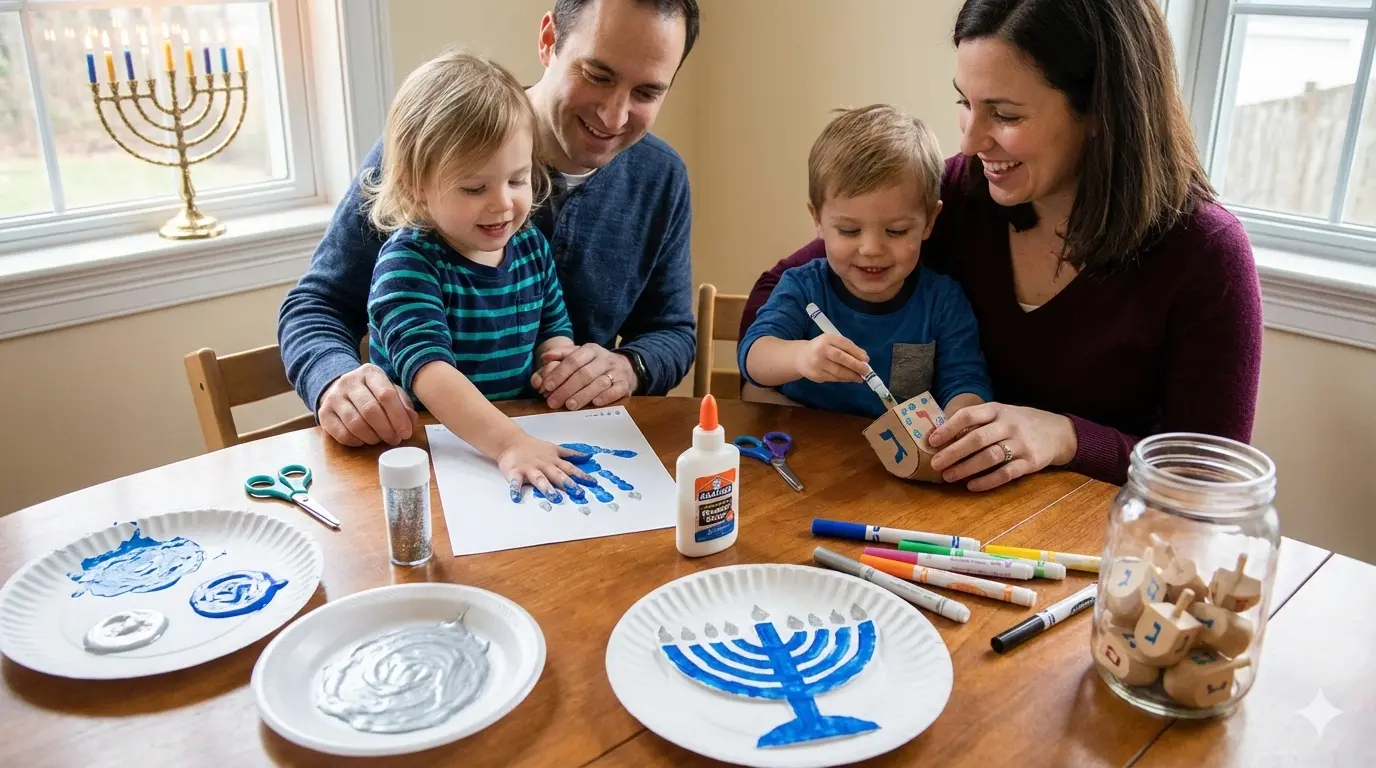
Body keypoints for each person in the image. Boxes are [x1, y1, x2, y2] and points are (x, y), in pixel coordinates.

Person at [740, 0, 1262, 490]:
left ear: (1101, 110)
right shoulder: (958, 195)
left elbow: (1207, 476)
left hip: (1098, 550)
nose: (968, 141)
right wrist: (791, 363)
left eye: (1006, 115)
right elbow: (773, 297)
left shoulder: (1205, 254)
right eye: (965, 103)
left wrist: (1066, 437)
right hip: (945, 522)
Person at [279, 0, 701, 447]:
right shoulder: (435, 143)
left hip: (565, 457)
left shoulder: (662, 178)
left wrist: (628, 366)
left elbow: (671, 332)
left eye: (647, 93)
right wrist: (334, 380)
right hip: (426, 456)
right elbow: (316, 306)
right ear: (548, 40)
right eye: (598, 75)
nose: (614, 116)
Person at [364, 50, 588, 499]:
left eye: (517, 180)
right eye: (474, 187)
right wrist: (508, 443)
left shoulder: (529, 246)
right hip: (425, 458)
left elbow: (553, 325)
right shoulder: (408, 264)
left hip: (514, 445)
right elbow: (431, 373)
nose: (502, 203)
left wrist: (557, 361)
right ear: (416, 188)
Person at [738, 105, 992, 419]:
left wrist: (962, 420)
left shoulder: (943, 301)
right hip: (804, 449)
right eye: (849, 230)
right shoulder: (804, 288)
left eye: (896, 231)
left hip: (896, 461)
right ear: (817, 220)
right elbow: (754, 357)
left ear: (929, 222)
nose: (871, 249)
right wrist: (800, 357)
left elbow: (966, 383)